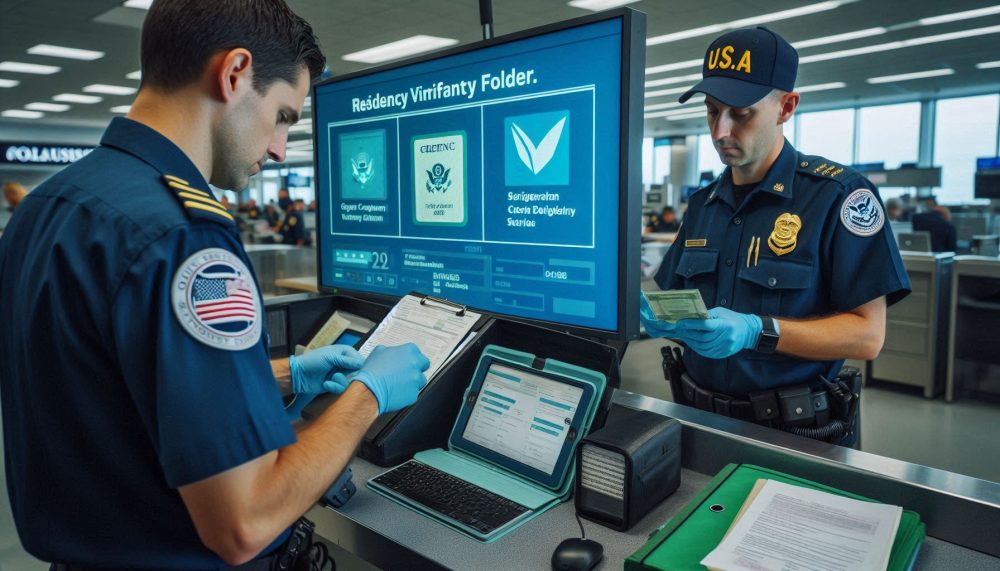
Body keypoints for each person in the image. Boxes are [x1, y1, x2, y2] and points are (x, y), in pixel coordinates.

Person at [0, 1, 430, 568]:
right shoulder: (185, 238)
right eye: (282, 115)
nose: (279, 149)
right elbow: (244, 521)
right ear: (233, 74)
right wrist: (367, 395)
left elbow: (110, 382)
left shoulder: (49, 206)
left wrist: (284, 373)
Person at [643, 27, 910, 447]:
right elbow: (680, 312)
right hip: (695, 420)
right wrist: (656, 318)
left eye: (741, 114)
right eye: (712, 112)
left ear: (786, 107)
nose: (719, 132)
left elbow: (867, 336)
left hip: (797, 431)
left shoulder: (838, 198)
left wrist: (757, 330)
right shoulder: (703, 206)